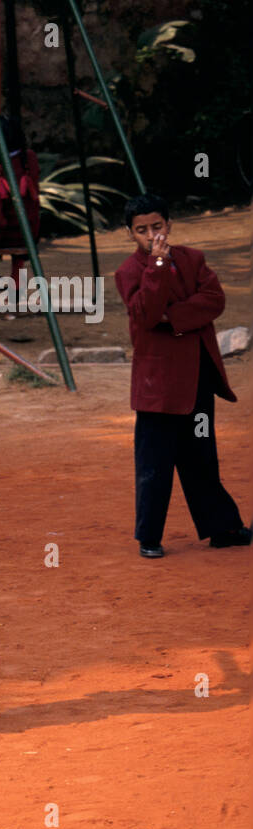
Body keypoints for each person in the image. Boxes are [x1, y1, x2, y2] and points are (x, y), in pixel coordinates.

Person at [113, 193, 251, 558]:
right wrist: (157, 264)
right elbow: (144, 314)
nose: (151, 235)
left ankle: (223, 528)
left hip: (198, 378)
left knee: (202, 456)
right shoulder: (128, 272)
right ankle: (150, 538)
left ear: (169, 225)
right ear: (130, 234)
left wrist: (171, 318)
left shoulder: (193, 259)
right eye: (142, 230)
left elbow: (215, 301)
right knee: (154, 463)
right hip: (157, 384)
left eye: (157, 226)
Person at [0, 116, 40, 311]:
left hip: (7, 235)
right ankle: (16, 277)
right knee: (21, 217)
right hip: (30, 232)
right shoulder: (30, 159)